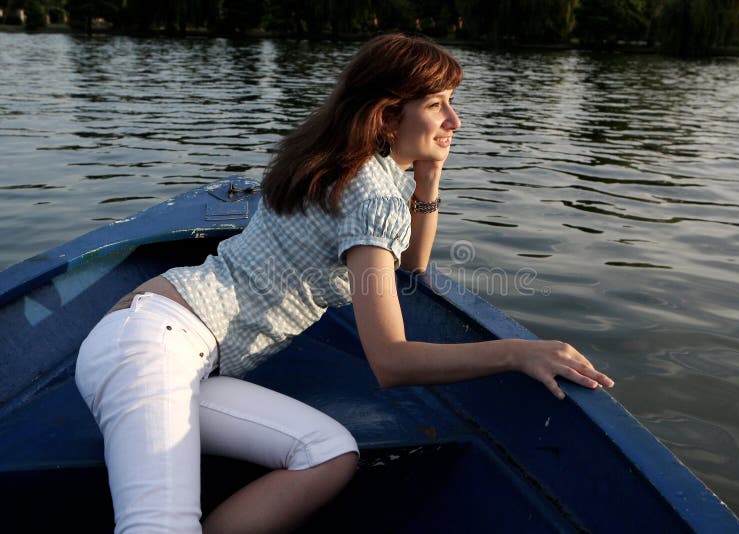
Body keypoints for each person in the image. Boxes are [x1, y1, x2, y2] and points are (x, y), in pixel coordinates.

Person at [75, 33, 614, 534]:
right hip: (154, 346)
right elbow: (392, 361)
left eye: (450, 101)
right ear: (388, 113)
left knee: (327, 451)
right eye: (437, 105)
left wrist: (429, 178)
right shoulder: (373, 193)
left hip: (176, 350)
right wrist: (516, 353)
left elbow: (410, 265)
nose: (455, 119)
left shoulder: (349, 166)